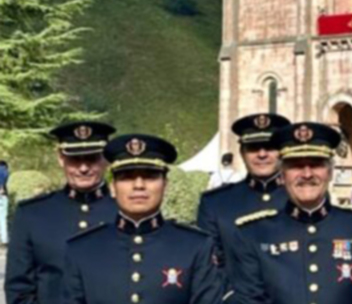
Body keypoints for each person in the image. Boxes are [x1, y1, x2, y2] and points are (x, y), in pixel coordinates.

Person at [232, 122, 352, 304]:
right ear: (282, 174)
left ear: (330, 172)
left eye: (316, 165)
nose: (307, 174)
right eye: (296, 166)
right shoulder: (253, 233)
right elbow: (250, 300)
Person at [62, 134, 224, 304]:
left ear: (165, 185)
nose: (138, 185)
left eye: (150, 176)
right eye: (127, 177)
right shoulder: (82, 249)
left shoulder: (195, 246)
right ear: (112, 187)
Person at [5, 122, 118, 304]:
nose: (83, 168)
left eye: (91, 158)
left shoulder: (127, 212)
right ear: (60, 158)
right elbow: (19, 289)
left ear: (105, 159)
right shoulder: (32, 214)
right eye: (75, 159)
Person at [196, 113, 290, 282]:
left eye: (270, 147)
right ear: (242, 152)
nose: (262, 154)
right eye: (253, 147)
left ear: (282, 151)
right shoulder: (216, 203)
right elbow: (210, 266)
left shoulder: (299, 199)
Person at [0, 160, 9, 248]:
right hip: (2, 196)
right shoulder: (2, 169)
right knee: (2, 218)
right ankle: (4, 239)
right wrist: (1, 187)